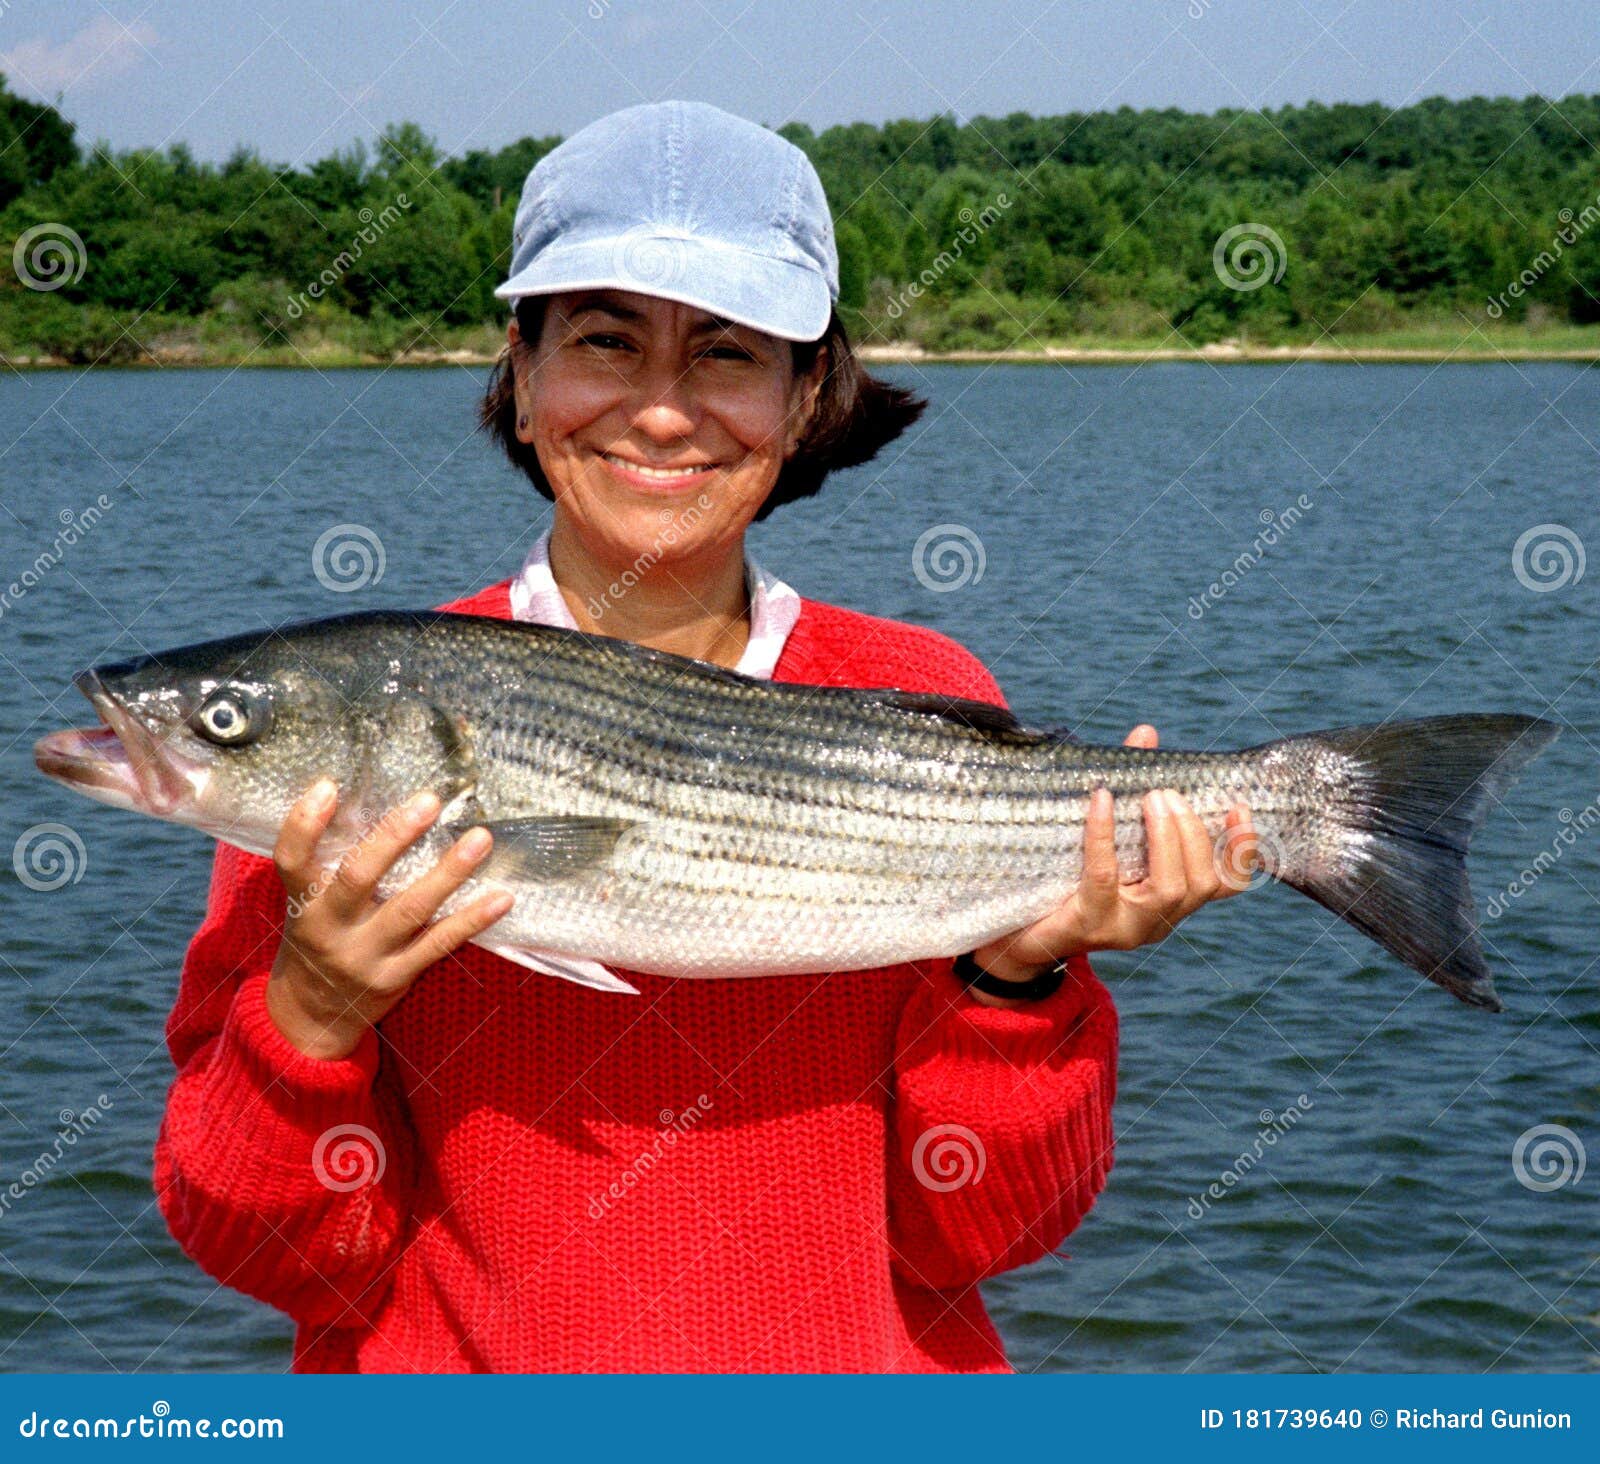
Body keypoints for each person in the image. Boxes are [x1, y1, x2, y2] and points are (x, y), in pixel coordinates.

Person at [155, 101, 1255, 1373]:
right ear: (520, 378)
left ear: (804, 403)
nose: (663, 413)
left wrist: (1016, 984)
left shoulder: (916, 683)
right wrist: (313, 1012)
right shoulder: (351, 714)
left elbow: (980, 1237)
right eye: (606, 342)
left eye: (727, 354)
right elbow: (277, 1261)